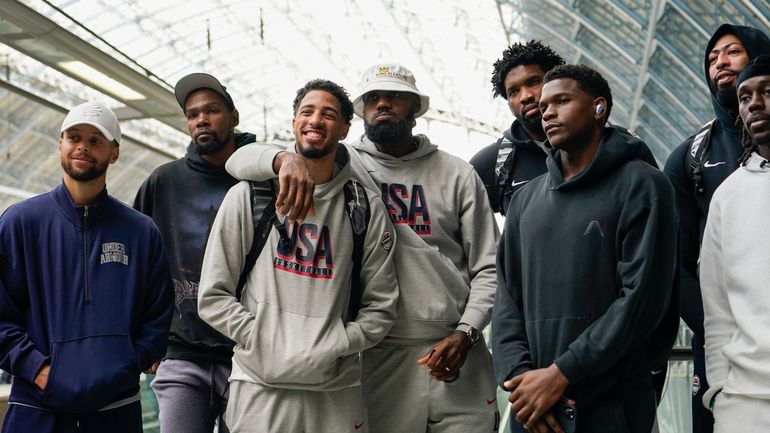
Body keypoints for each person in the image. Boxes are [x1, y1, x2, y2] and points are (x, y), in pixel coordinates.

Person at [225, 64, 500, 432]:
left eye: (395, 96)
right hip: (375, 354)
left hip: (454, 349)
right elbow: (237, 160)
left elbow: (489, 267)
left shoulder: (458, 174)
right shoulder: (343, 163)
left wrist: (467, 331)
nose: (382, 104)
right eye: (372, 98)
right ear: (359, 114)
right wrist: (282, 159)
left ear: (415, 107)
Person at [196, 79, 399, 433]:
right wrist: (259, 336)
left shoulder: (364, 208)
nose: (315, 120)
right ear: (293, 123)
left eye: (329, 114)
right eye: (307, 111)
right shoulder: (250, 197)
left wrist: (337, 343)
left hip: (335, 392)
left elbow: (382, 306)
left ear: (345, 129)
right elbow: (213, 295)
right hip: (259, 388)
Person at [492, 64, 679, 433]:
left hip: (614, 403)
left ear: (599, 108)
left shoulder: (644, 185)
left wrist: (562, 373)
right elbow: (506, 302)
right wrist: (522, 382)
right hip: (534, 410)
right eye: (544, 106)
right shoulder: (525, 200)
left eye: (561, 100)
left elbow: (640, 300)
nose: (547, 112)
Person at [0, 101, 173, 433]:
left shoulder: (140, 232)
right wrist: (39, 369)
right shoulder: (20, 222)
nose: (83, 146)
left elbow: (157, 316)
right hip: (37, 409)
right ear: (60, 145)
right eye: (74, 137)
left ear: (114, 153)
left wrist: (124, 366)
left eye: (96, 140)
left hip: (115, 410)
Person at [133, 73, 255, 433]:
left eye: (212, 110)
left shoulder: (262, 179)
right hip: (183, 355)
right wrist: (144, 338)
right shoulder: (164, 181)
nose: (201, 119)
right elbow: (134, 263)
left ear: (233, 116)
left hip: (250, 355)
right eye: (192, 114)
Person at [662, 23, 770, 433]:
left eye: (732, 51)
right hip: (731, 359)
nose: (720, 62)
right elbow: (679, 263)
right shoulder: (690, 157)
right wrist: (721, 346)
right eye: (711, 57)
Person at [700, 55, 770, 432]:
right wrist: (720, 390)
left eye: (767, 92)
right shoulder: (728, 195)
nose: (754, 103)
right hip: (743, 405)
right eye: (745, 97)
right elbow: (717, 305)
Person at [470, 40, 564, 215]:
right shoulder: (494, 161)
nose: (525, 96)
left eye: (534, 82)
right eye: (513, 92)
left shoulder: (597, 143)